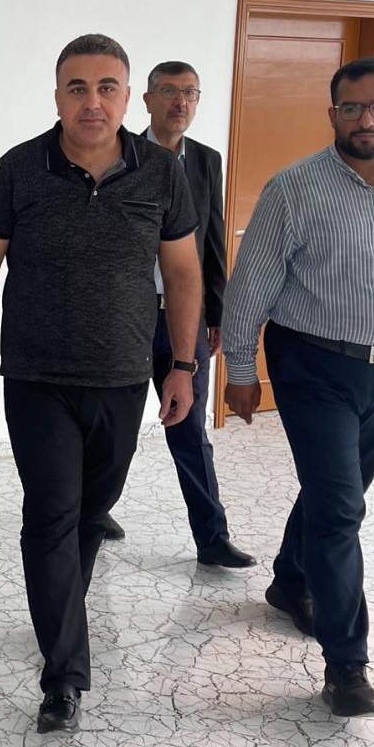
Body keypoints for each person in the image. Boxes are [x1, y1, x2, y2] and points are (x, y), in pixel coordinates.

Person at [0, 34, 202, 733]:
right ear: (57, 96)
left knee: (92, 514)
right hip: (37, 379)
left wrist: (182, 366)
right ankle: (63, 677)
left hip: (123, 378)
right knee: (51, 516)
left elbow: (183, 272)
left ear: (127, 98)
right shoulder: (19, 168)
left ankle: (61, 605)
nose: (92, 102)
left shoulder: (161, 173)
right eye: (77, 88)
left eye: (106, 87)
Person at [222, 57, 374, 717]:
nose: (365, 119)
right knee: (342, 509)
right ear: (333, 114)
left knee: (335, 495)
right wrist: (240, 371)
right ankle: (347, 667)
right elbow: (250, 286)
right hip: (312, 366)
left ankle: (292, 580)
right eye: (351, 108)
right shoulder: (294, 189)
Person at [139, 60, 254, 568]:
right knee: (108, 428)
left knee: (189, 430)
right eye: (169, 91)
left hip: (185, 320)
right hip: (128, 317)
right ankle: (94, 514)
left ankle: (212, 538)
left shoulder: (206, 160)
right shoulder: (123, 155)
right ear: (147, 100)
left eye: (189, 92)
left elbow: (213, 238)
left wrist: (217, 312)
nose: (180, 101)